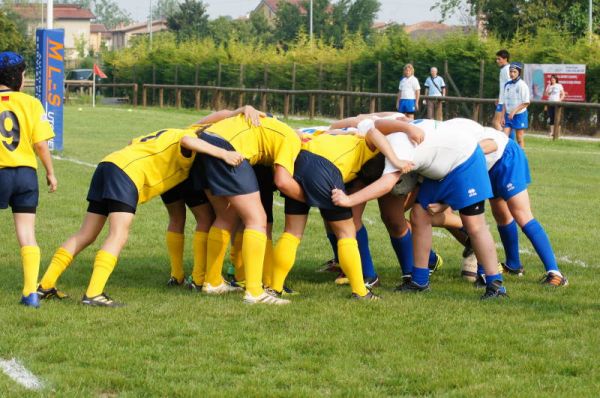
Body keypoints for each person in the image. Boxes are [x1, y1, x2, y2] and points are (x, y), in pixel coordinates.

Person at [36, 127, 243, 307]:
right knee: (118, 234)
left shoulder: (165, 133)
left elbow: (132, 142)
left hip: (107, 164)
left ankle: (45, 285)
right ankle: (94, 294)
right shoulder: (187, 135)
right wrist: (224, 154)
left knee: (86, 233)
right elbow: (187, 141)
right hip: (126, 174)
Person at [332, 118, 508, 300]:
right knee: (419, 215)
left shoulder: (399, 149)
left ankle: (496, 285)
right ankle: (420, 281)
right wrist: (406, 126)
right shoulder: (377, 139)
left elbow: (386, 184)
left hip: (465, 160)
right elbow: (372, 123)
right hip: (440, 164)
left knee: (474, 225)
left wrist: (349, 200)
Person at [269, 121, 417, 300]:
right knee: (347, 232)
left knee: (292, 232)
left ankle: (274, 288)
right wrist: (395, 159)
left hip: (297, 160)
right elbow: (373, 132)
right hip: (324, 167)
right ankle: (361, 292)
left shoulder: (342, 135)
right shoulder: (367, 143)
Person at [444, 118, 568, 287]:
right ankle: (514, 265)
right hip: (488, 166)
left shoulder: (455, 135)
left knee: (522, 214)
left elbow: (492, 144)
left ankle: (556, 274)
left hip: (506, 156)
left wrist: (467, 155)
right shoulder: (445, 136)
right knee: (501, 215)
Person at [197, 114, 303, 305]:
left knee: (226, 216)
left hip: (207, 142)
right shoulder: (292, 139)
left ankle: (212, 281)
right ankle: (255, 292)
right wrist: (310, 197)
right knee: (257, 219)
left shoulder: (272, 127)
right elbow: (282, 180)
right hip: (229, 148)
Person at [0, 51, 58, 308]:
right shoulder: (32, 103)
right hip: (25, 175)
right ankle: (30, 293)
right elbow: (41, 144)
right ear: (19, 77)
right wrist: (50, 172)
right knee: (27, 233)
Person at [501, 62, 530, 148]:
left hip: (519, 115)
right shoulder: (507, 85)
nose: (512, 74)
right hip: (508, 115)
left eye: (514, 72)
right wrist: (502, 116)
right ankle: (506, 158)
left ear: (519, 73)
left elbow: (526, 103)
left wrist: (514, 111)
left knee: (519, 138)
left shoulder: (522, 85)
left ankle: (521, 158)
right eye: (510, 71)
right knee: (504, 138)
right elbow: (504, 102)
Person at [493, 49, 511, 131]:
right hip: (502, 100)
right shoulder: (504, 69)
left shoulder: (507, 70)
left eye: (499, 59)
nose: (497, 61)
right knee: (507, 124)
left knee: (496, 122)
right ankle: (510, 142)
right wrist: (499, 97)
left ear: (505, 59)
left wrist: (504, 101)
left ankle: (503, 141)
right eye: (497, 59)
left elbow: (510, 86)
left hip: (504, 101)